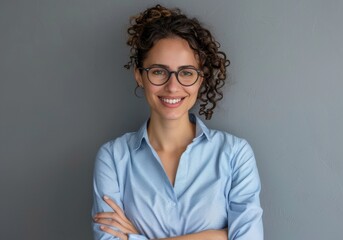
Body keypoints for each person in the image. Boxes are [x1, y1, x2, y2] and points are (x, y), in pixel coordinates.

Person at [91, 4, 263, 240]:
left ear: (200, 79)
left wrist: (136, 237)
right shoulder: (113, 158)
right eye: (159, 71)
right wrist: (219, 236)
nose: (173, 86)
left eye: (187, 72)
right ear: (139, 75)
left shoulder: (235, 154)